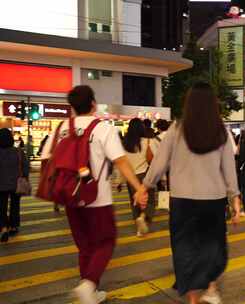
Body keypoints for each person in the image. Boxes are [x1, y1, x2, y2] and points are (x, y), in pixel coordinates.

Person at [41, 85, 147, 304]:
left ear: (72, 107)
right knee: (106, 241)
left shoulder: (61, 127)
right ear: (93, 104)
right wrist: (138, 188)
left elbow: (46, 159)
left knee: (85, 246)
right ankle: (89, 284)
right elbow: (121, 161)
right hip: (97, 197)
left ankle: (91, 291)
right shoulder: (102, 128)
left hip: (69, 194)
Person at [142, 82, 241, 304]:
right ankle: (212, 288)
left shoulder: (176, 130)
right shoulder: (222, 131)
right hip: (213, 201)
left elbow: (158, 164)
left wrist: (144, 186)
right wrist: (234, 198)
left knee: (185, 250)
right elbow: (229, 169)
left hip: (182, 202)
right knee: (212, 247)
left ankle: (194, 299)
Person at [123, 118, 159, 237]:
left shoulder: (125, 143)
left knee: (135, 202)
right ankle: (143, 217)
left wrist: (119, 181)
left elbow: (121, 162)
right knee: (149, 200)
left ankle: (139, 227)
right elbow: (156, 159)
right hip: (144, 175)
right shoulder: (148, 141)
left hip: (130, 177)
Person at [0, 128, 29, 242]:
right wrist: (25, 177)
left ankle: (3, 228)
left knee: (1, 207)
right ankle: (13, 226)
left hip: (1, 185)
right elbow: (25, 167)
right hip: (16, 184)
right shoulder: (18, 152)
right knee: (15, 205)